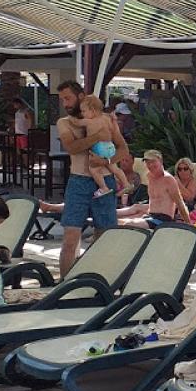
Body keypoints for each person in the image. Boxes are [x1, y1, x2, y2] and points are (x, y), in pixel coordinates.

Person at [56, 80, 129, 278]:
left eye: (68, 98)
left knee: (104, 236)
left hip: (105, 180)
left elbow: (123, 149)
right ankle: (64, 283)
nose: (65, 103)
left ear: (81, 97)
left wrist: (106, 161)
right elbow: (72, 148)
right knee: (70, 238)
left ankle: (98, 279)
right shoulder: (65, 122)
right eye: (62, 100)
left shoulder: (106, 119)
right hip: (78, 181)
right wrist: (97, 136)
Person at [67, 95, 134, 198]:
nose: (82, 114)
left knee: (94, 170)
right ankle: (126, 183)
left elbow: (77, 122)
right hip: (110, 146)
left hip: (99, 147)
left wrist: (71, 117)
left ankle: (103, 187)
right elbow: (112, 126)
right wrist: (113, 119)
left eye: (84, 111)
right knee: (114, 168)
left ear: (93, 110)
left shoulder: (89, 121)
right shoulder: (106, 118)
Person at [117, 149, 191, 230]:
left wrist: (189, 225)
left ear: (160, 161)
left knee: (129, 224)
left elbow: (180, 203)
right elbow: (154, 202)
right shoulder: (150, 177)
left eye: (153, 161)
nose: (150, 165)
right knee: (118, 221)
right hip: (150, 216)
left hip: (163, 220)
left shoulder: (168, 179)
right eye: (148, 162)